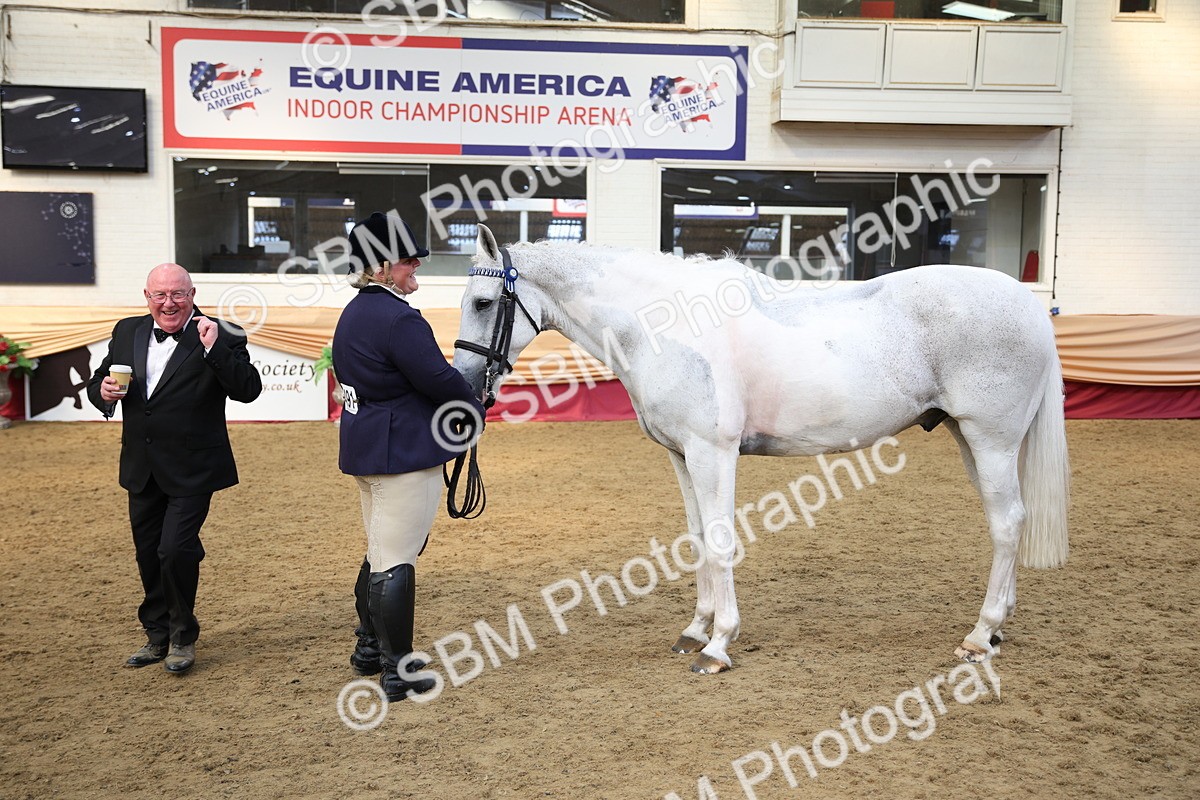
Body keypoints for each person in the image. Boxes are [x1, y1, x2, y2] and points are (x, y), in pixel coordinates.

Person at [334, 212, 485, 702]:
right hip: (402, 455)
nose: (415, 262)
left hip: (368, 449)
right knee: (396, 557)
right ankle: (398, 671)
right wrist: (473, 402)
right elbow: (439, 381)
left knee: (380, 548)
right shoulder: (399, 318)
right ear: (380, 267)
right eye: (406, 258)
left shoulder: (355, 311)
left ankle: (368, 648)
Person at [87, 263, 262, 674]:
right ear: (146, 296)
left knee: (175, 549)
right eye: (159, 295)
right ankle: (157, 634)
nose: (168, 303)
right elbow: (99, 381)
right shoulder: (127, 331)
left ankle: (183, 637)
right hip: (141, 465)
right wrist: (103, 392)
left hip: (194, 466)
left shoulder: (222, 333)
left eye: (177, 294)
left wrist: (215, 349)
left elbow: (248, 390)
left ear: (192, 293)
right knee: (149, 552)